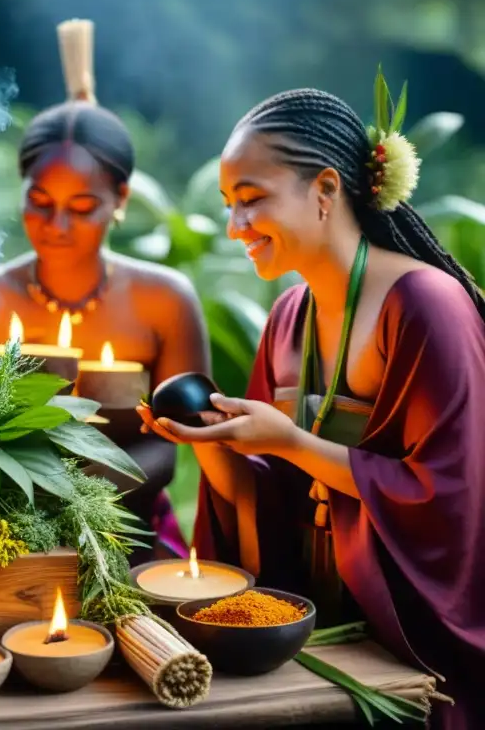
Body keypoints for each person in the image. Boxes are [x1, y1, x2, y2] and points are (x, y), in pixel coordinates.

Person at [139, 79, 485, 728]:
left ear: (325, 191)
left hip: (408, 643)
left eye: (251, 200)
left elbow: (451, 498)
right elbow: (274, 492)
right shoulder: (288, 316)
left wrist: (290, 441)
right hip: (317, 626)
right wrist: (216, 451)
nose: (235, 225)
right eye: (228, 204)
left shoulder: (425, 307)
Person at [0, 106, 207, 561]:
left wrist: (87, 494)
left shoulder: (164, 300)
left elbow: (179, 438)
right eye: (40, 202)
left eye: (82, 207)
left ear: (120, 198)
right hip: (4, 533)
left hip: (129, 528)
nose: (57, 226)